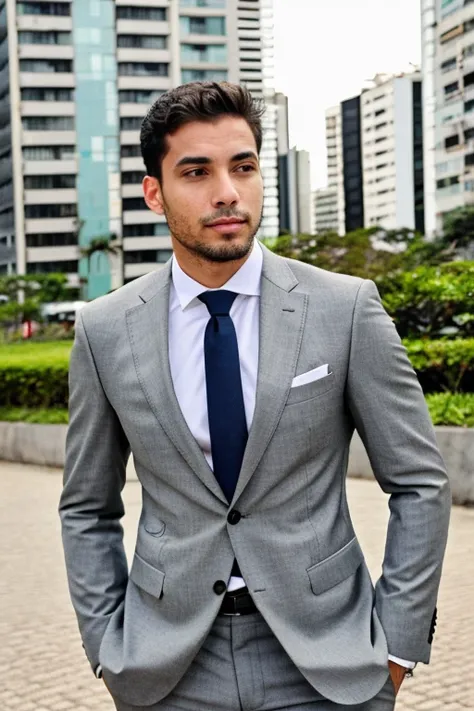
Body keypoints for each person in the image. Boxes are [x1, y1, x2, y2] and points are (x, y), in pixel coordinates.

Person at [59, 82, 451, 711]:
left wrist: (398, 647)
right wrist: (108, 644)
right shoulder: (105, 330)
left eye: (243, 166)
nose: (227, 192)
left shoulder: (344, 309)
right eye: (197, 171)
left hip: (329, 659)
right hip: (167, 665)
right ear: (154, 193)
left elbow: (420, 482)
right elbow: (86, 506)